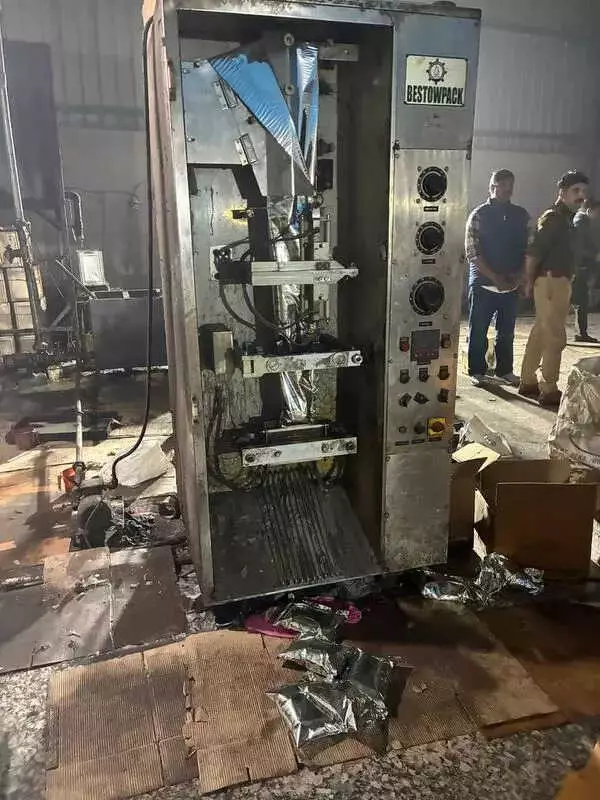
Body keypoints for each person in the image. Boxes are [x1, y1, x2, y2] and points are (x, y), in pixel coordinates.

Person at [519, 170, 590, 407]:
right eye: (576, 190)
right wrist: (528, 281)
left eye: (583, 191)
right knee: (555, 337)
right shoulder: (553, 218)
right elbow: (534, 252)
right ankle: (548, 389)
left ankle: (528, 381)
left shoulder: (568, 219)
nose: (581, 196)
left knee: (541, 332)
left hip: (558, 282)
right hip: (551, 282)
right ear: (562, 192)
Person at [465, 169, 530, 387]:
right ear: (492, 186)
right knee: (478, 330)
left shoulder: (521, 215)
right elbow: (472, 252)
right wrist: (495, 277)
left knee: (507, 332)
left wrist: (520, 276)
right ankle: (477, 370)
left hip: (511, 285)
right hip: (484, 284)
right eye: (502, 185)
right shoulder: (479, 215)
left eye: (510, 185)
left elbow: (529, 249)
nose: (506, 189)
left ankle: (505, 371)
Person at [572, 199, 600, 343]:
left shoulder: (582, 220)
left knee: (579, 301)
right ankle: (580, 333)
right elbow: (578, 247)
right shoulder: (581, 222)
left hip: (580, 267)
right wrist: (594, 255)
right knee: (580, 301)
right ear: (590, 210)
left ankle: (580, 333)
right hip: (580, 267)